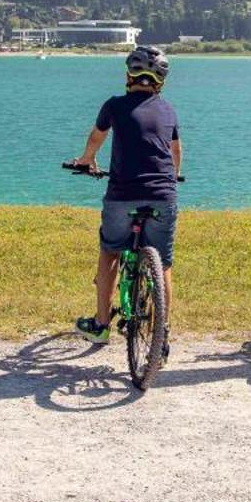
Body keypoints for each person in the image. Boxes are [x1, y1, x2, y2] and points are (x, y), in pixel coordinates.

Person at [68, 44, 181, 339]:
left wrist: (86, 160)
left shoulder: (114, 105)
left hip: (123, 194)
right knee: (164, 263)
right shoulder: (168, 109)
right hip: (163, 195)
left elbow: (97, 137)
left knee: (110, 252)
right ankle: (163, 332)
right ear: (160, 82)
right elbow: (175, 150)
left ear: (129, 76)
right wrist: (175, 175)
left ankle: (101, 325)